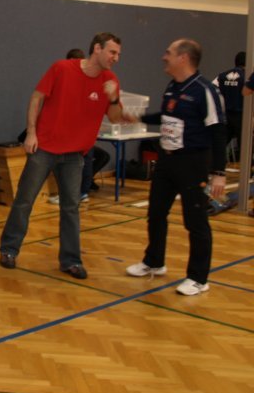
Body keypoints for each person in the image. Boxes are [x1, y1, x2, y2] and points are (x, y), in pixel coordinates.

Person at [0, 33, 132, 279]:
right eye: (112, 52)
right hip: (45, 149)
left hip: (74, 155)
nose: (116, 58)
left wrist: (113, 97)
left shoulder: (110, 80)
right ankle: (9, 249)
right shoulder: (62, 68)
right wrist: (31, 132)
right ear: (97, 49)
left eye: (118, 54)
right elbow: (37, 97)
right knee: (24, 200)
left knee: (71, 207)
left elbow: (114, 118)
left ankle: (71, 261)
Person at [126, 39, 226, 295]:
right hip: (167, 161)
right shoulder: (173, 86)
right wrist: (139, 117)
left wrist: (219, 173)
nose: (164, 57)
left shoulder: (205, 90)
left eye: (168, 53)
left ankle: (198, 278)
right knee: (156, 213)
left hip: (193, 163)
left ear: (183, 58)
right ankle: (154, 262)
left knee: (195, 221)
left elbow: (218, 132)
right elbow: (167, 116)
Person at [47, 48, 111, 203]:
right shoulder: (67, 79)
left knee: (84, 161)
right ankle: (80, 191)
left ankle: (81, 191)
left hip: (79, 136)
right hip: (74, 135)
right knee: (81, 162)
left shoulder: (87, 82)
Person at [215, 51, 245, 156]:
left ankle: (215, 162)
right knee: (244, 144)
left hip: (225, 115)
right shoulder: (246, 77)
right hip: (241, 116)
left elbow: (213, 89)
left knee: (222, 142)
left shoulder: (222, 76)